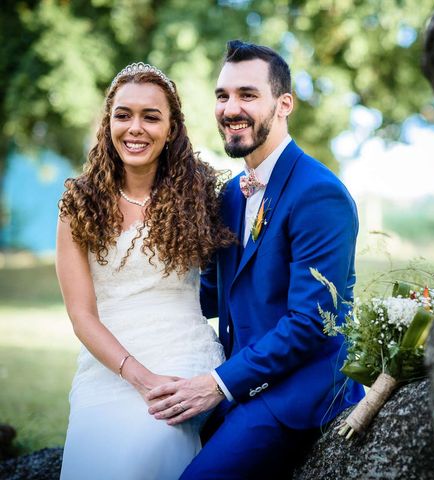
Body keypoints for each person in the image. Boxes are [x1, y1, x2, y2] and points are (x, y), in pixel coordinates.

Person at [146, 40, 365, 478]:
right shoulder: (230, 194)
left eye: (248, 95)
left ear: (284, 104)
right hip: (240, 380)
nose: (231, 108)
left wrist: (218, 384)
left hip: (295, 394)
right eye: (222, 95)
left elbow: (310, 323)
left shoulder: (319, 194)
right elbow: (211, 295)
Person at [56, 62, 233, 479]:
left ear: (171, 128)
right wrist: (139, 377)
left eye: (151, 117)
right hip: (108, 364)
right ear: (108, 122)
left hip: (183, 354)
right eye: (123, 115)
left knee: (149, 443)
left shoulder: (202, 195)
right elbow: (81, 315)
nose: (135, 128)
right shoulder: (77, 204)